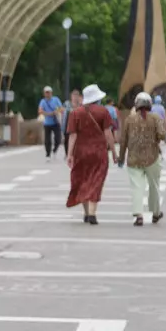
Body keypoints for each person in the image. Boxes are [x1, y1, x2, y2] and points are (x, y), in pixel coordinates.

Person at [65, 84, 117, 225]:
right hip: (99, 152)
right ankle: (93, 213)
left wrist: (69, 154)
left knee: (82, 180)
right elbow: (108, 133)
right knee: (96, 180)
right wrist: (113, 151)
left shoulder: (75, 113)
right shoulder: (103, 112)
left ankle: (87, 212)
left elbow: (73, 136)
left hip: (81, 152)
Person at [118, 92, 166, 226]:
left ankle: (138, 215)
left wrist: (121, 157)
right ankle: (156, 213)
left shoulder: (129, 120)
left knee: (137, 187)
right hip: (152, 157)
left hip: (134, 159)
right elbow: (162, 135)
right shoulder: (155, 118)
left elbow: (123, 141)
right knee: (154, 186)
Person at [38, 86, 63, 161]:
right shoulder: (43, 101)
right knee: (47, 140)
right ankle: (48, 154)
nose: (47, 94)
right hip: (47, 123)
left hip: (55, 122)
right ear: (44, 94)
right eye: (46, 93)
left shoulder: (56, 99)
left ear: (51, 93)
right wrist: (48, 114)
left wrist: (56, 111)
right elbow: (40, 111)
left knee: (58, 139)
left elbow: (61, 108)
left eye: (49, 92)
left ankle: (54, 150)